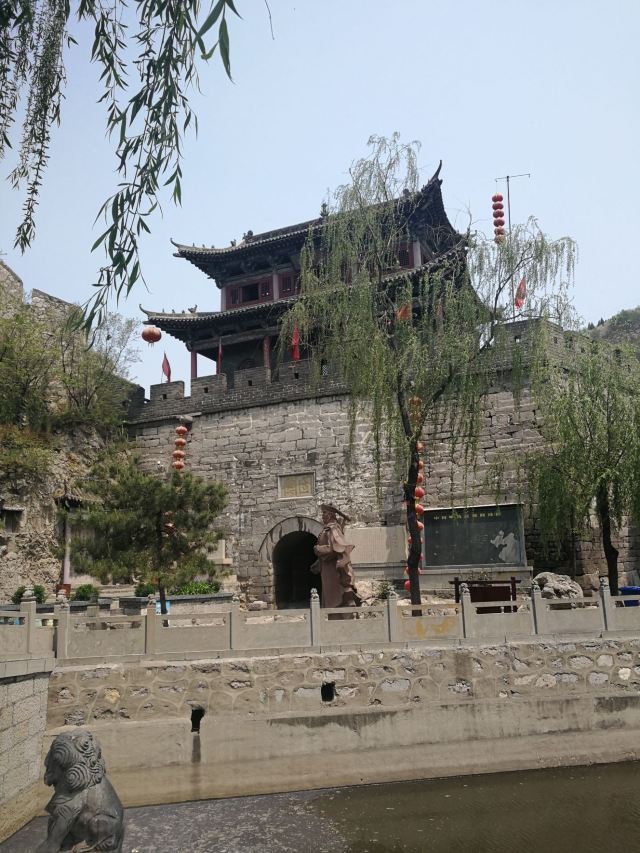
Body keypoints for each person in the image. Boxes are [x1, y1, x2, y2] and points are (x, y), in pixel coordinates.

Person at [311, 504, 361, 609]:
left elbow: (335, 548)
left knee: (336, 598)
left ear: (330, 515)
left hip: (333, 571)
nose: (322, 516)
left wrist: (317, 549)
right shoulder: (326, 530)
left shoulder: (332, 529)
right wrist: (317, 563)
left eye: (324, 513)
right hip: (327, 569)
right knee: (331, 598)